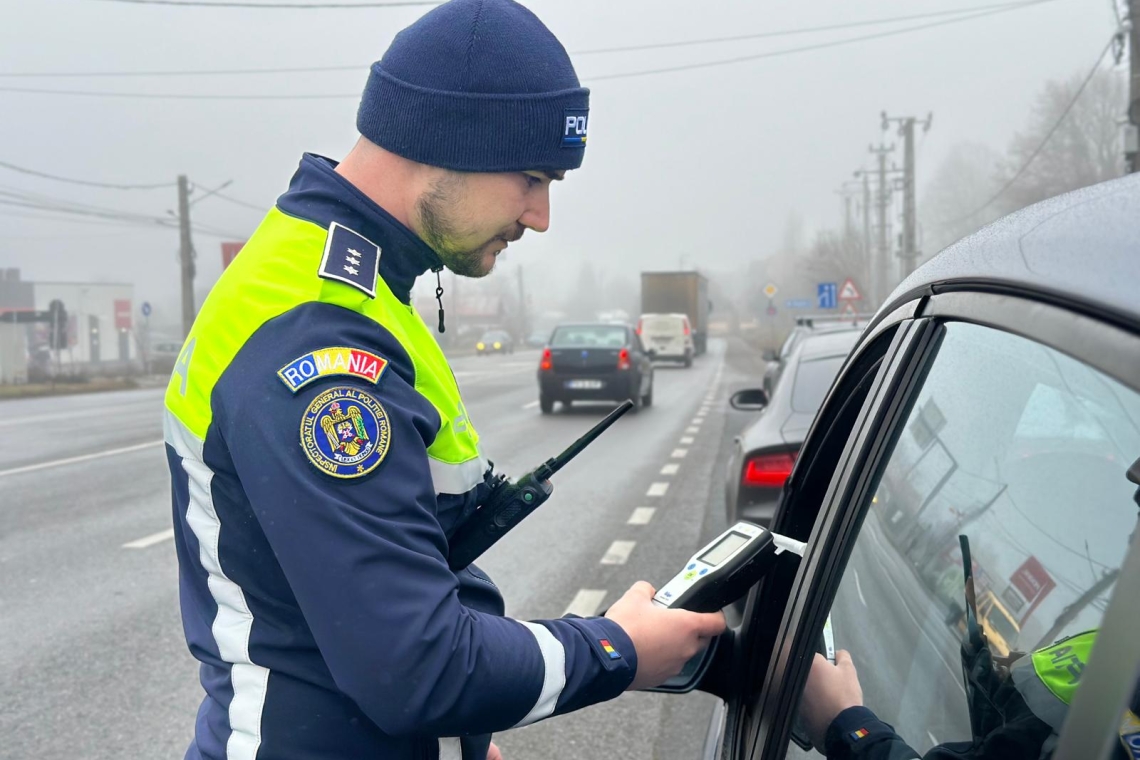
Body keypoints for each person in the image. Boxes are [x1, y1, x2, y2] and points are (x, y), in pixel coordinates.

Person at [162, 2, 725, 759]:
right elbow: (415, 667)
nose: (541, 215)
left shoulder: (351, 280)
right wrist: (617, 649)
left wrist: (457, 735)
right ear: (445, 140)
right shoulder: (321, 338)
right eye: (530, 177)